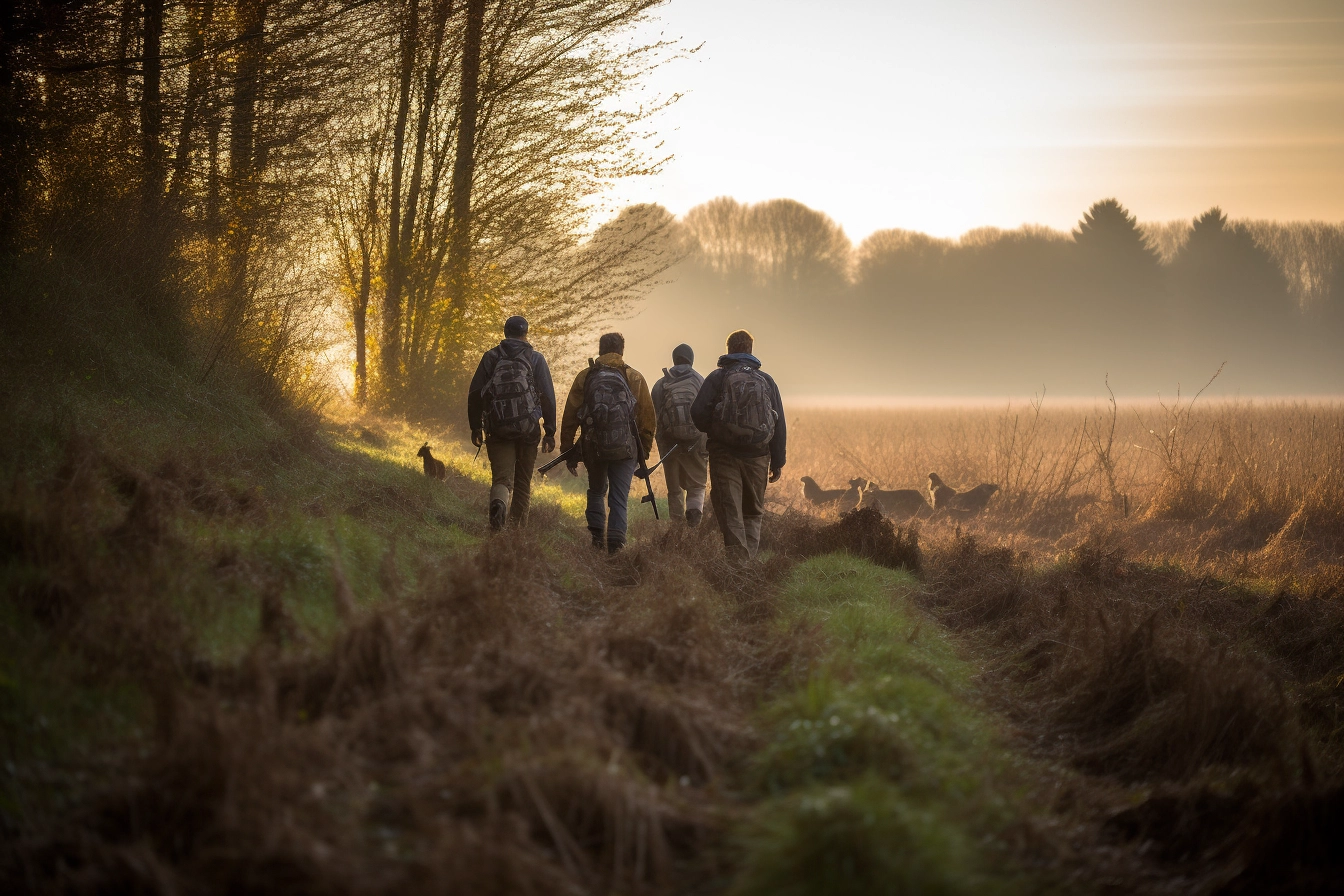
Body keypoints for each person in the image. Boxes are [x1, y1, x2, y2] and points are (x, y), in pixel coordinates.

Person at [690, 329, 786, 562]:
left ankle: (736, 564)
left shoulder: (718, 377)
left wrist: (716, 430)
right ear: (751, 350)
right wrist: (778, 461)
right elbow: (779, 422)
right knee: (753, 512)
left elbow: (697, 413)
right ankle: (749, 564)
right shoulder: (767, 380)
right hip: (758, 455)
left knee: (730, 509)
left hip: (725, 454)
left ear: (729, 350)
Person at [560, 332, 656, 553]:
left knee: (596, 490)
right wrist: (643, 452)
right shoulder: (635, 377)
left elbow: (571, 415)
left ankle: (596, 538)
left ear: (600, 349)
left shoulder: (585, 376)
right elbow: (648, 420)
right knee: (619, 498)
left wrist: (568, 449)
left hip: (594, 446)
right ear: (622, 350)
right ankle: (615, 545)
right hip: (626, 449)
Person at [466, 315, 556, 530]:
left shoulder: (491, 357)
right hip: (529, 430)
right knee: (523, 483)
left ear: (505, 333)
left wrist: (475, 426)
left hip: (498, 429)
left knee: (501, 479)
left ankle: (499, 505)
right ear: (525, 334)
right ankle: (515, 535)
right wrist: (550, 431)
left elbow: (475, 393)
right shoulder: (536, 359)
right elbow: (547, 397)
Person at [651, 343, 709, 527]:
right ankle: (693, 526)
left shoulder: (661, 384)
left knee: (674, 490)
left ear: (674, 359)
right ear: (691, 360)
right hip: (696, 443)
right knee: (697, 486)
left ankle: (676, 530)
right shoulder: (701, 381)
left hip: (670, 446)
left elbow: (655, 419)